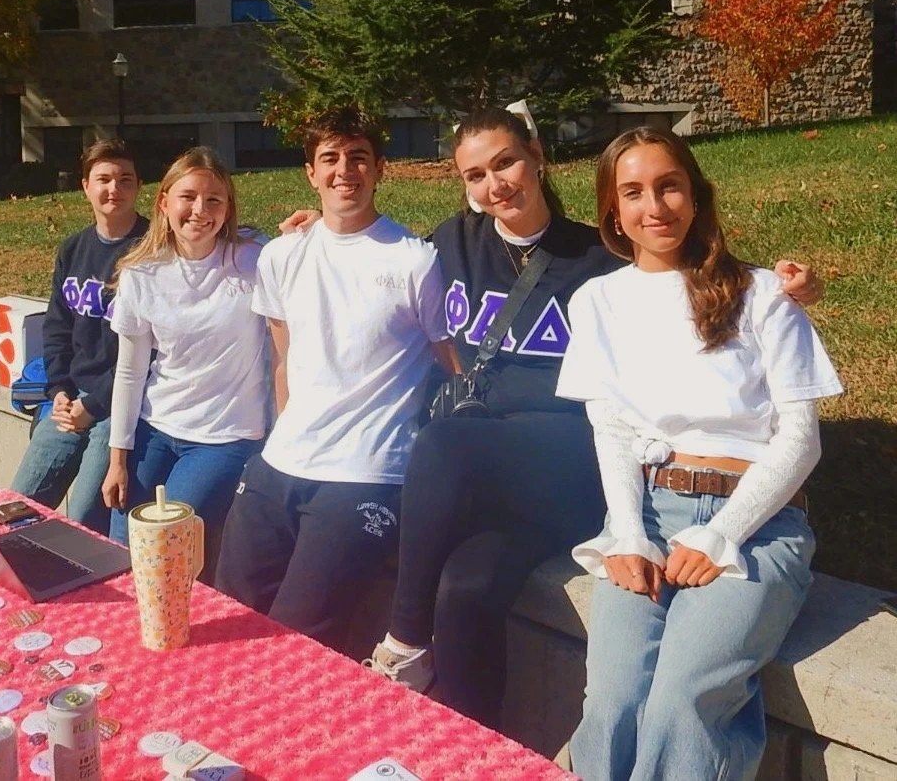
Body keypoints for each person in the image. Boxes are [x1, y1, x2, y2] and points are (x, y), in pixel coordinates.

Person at [361, 105, 822, 728]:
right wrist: (307, 232)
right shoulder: (452, 243)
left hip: (572, 463)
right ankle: (477, 752)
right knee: (466, 587)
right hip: (494, 471)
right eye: (476, 175)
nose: (496, 184)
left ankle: (404, 642)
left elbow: (682, 269)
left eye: (505, 163)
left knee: (443, 444)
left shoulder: (597, 259)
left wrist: (791, 288)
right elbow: (380, 261)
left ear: (537, 157)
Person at [555, 127, 842, 780]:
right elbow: (612, 430)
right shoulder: (597, 301)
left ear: (695, 194)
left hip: (755, 523)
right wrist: (628, 534)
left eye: (669, 186)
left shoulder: (763, 294)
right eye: (633, 192)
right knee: (611, 702)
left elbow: (800, 438)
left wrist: (722, 534)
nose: (654, 206)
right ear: (612, 212)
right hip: (649, 514)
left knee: (681, 706)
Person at [213, 107, 458, 652]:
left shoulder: (415, 261)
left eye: (358, 157)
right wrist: (280, 438)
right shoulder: (281, 255)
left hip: (365, 473)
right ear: (311, 173)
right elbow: (284, 360)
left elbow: (451, 363)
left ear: (380, 169)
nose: (344, 170)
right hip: (281, 462)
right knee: (227, 617)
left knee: (300, 642)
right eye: (330, 158)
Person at [102, 147, 268, 547]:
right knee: (122, 542)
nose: (200, 210)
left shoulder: (257, 260)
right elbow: (130, 372)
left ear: (228, 209)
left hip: (226, 437)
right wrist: (118, 460)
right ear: (164, 203)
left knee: (165, 540)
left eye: (214, 200)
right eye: (188, 197)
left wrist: (310, 223)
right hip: (154, 428)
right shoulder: (142, 273)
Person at [10, 139, 147, 534]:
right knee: (16, 508)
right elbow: (57, 326)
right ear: (85, 186)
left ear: (139, 186)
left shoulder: (152, 249)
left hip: (122, 404)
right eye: (104, 179)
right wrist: (58, 390)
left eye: (125, 180)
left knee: (84, 520)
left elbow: (152, 350)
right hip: (70, 399)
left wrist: (94, 403)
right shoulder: (73, 248)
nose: (114, 189)